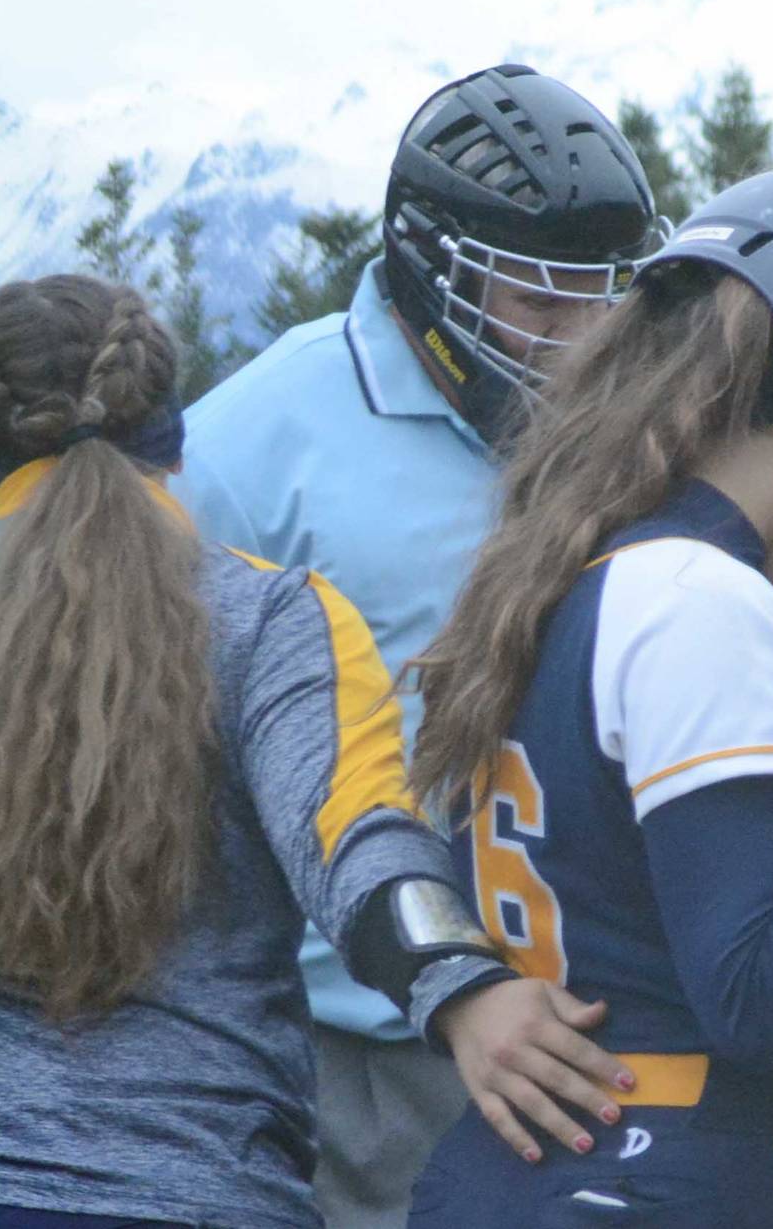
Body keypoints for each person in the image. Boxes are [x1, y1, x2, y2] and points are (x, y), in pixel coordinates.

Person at [400, 166, 773, 1227]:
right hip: (678, 1168)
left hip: (527, 1172)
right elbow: (752, 1000)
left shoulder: (566, 571)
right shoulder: (699, 598)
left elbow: (651, 926)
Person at [0, 276, 629, 1229]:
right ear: (170, 445)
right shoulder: (275, 618)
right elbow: (356, 838)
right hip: (202, 1187)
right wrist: (463, 986)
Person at [171, 64, 658, 1227]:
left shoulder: (622, 424)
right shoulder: (248, 442)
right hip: (367, 1049)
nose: (583, 340)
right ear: (431, 268)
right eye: (539, 303)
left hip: (607, 1024)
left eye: (602, 297)